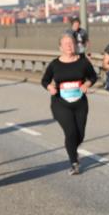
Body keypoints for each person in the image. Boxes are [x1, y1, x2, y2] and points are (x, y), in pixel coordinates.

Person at [41, 32, 97, 175]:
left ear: (75, 45)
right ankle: (74, 162)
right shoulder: (55, 64)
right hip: (60, 102)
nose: (69, 46)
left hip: (80, 102)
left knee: (80, 134)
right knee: (70, 132)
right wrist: (50, 87)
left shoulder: (83, 62)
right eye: (65, 44)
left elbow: (93, 76)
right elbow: (45, 80)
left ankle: (72, 149)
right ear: (60, 47)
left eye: (71, 43)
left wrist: (87, 84)